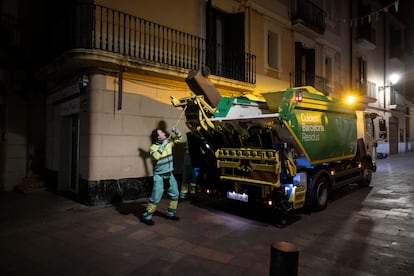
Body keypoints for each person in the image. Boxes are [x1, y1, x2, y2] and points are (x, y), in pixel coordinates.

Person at [142, 126, 182, 225]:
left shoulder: (169, 143)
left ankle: (170, 213)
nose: (164, 133)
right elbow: (156, 156)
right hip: (159, 176)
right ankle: (147, 216)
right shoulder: (153, 148)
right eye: (161, 133)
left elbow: (178, 139)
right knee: (156, 197)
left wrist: (177, 132)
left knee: (175, 194)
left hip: (169, 174)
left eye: (163, 132)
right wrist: (163, 146)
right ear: (158, 137)